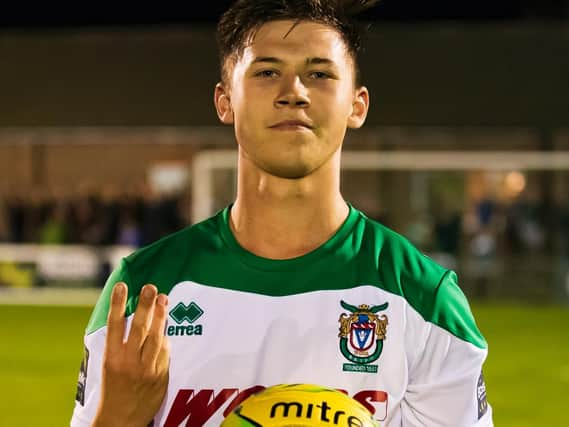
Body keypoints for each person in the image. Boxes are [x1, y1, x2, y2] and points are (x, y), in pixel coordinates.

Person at [71, 1, 493, 426]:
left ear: (357, 105)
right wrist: (117, 417)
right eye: (267, 72)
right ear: (225, 101)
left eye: (320, 74)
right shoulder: (144, 289)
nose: (294, 92)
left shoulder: (422, 297)